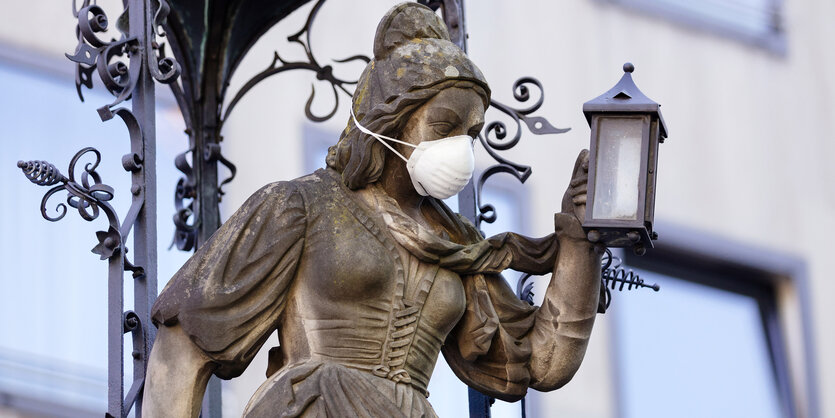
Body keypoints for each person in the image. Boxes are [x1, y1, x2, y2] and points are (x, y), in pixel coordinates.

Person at [144, 3, 600, 417]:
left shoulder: (459, 244)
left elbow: (543, 362)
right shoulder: (302, 205)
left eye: (470, 132)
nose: (459, 146)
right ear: (391, 117)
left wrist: (580, 241)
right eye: (445, 126)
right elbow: (183, 343)